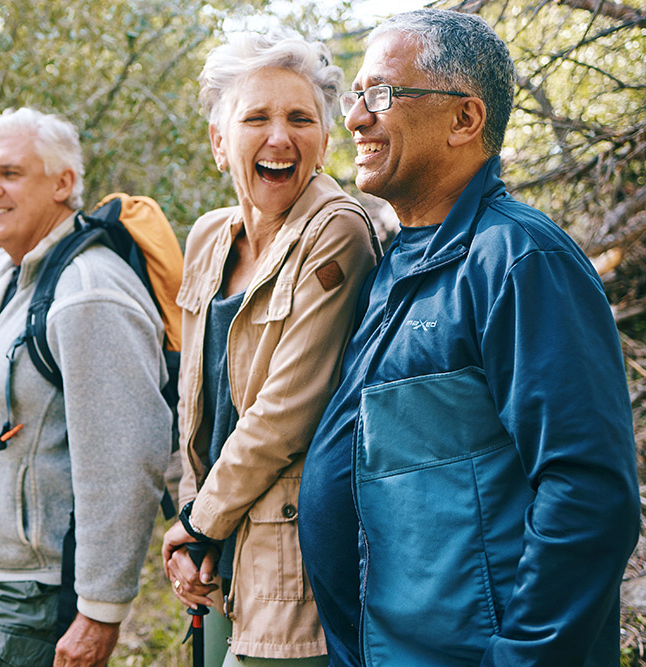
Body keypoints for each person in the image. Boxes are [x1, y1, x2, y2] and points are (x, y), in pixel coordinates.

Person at [297, 9, 641, 666]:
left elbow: (590, 491)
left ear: (465, 120)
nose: (355, 118)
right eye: (356, 95)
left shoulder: (518, 259)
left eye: (382, 95)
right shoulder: (395, 263)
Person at [0, 107, 172, 667]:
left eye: (10, 173)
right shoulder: (13, 275)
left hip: (39, 594)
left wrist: (99, 613)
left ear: (63, 183)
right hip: (1, 578)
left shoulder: (86, 289)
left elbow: (128, 456)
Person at [160, 32, 381, 666]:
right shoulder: (207, 237)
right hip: (218, 544)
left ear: (325, 141)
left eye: (300, 118)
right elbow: (195, 400)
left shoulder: (337, 230)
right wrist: (195, 524)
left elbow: (287, 413)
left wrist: (199, 522)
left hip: (291, 562)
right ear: (218, 141)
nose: (279, 137)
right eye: (255, 117)